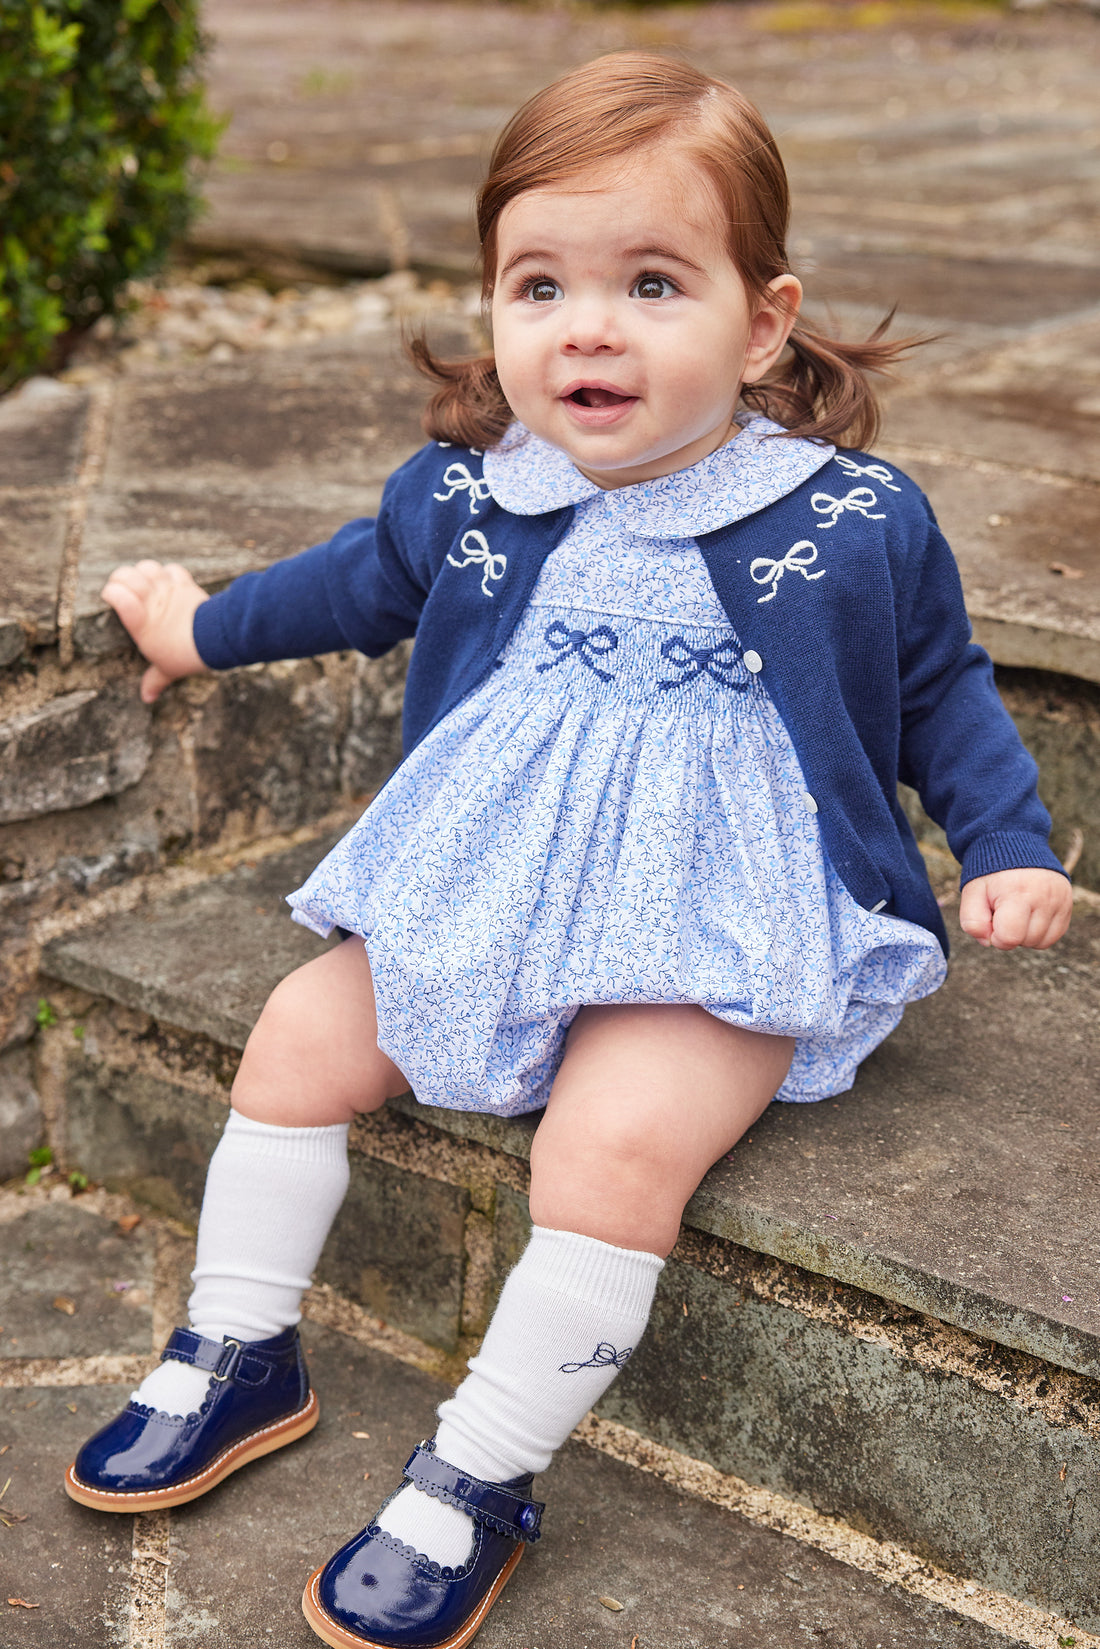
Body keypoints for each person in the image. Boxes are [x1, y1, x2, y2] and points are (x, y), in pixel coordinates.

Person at [65, 51, 1071, 1649]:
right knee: (293, 1038)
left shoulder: (851, 518)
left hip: (721, 920)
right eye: (540, 284)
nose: (587, 326)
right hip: (493, 882)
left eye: (652, 282)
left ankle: (482, 1466)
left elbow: (941, 687)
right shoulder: (474, 495)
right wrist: (197, 627)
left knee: (604, 1152)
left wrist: (1007, 841)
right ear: (495, 306)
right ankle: (242, 1345)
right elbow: (342, 589)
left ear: (761, 322)